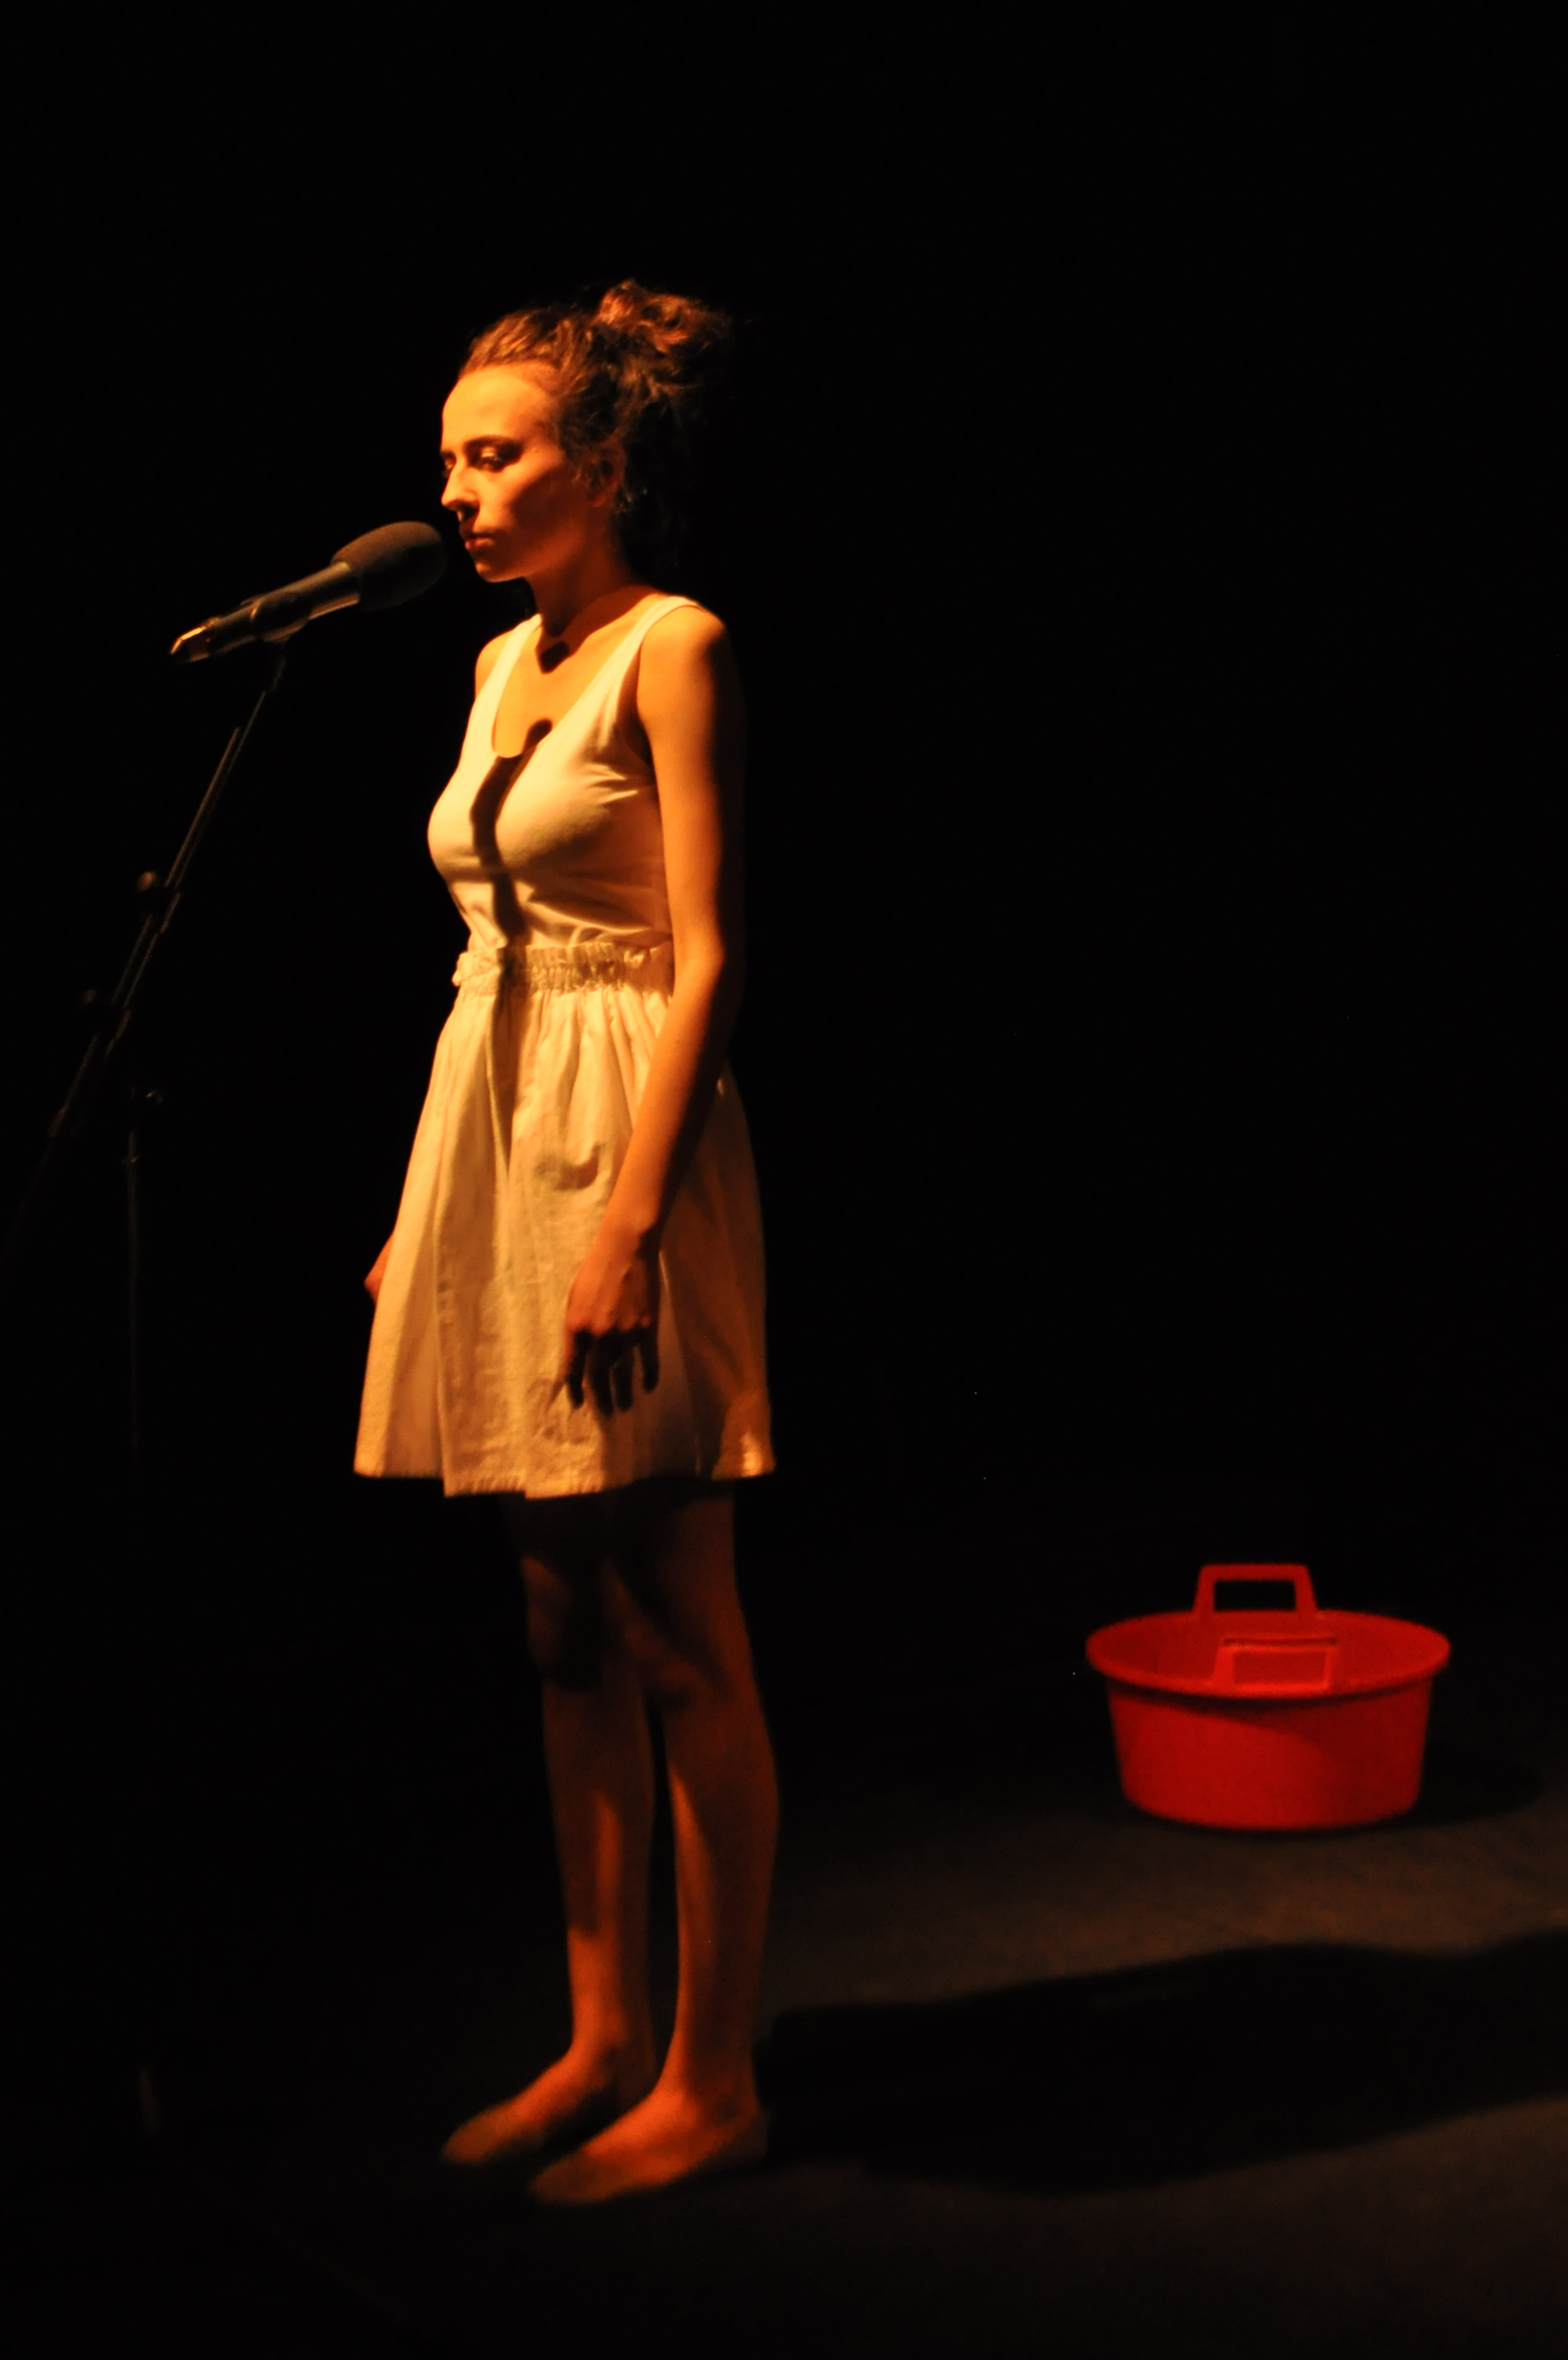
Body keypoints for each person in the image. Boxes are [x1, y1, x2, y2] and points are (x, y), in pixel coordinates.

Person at [354, 284, 778, 2204]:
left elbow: (707, 957)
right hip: (498, 1140)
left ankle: (711, 2073)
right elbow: (485, 959)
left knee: (676, 1624)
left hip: (624, 1146)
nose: (455, 490)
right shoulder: (495, 660)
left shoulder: (672, 648)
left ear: (599, 464)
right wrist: (424, 1211)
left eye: (493, 454)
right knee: (555, 1620)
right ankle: (601, 2032)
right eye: (447, 457)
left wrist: (628, 1224)